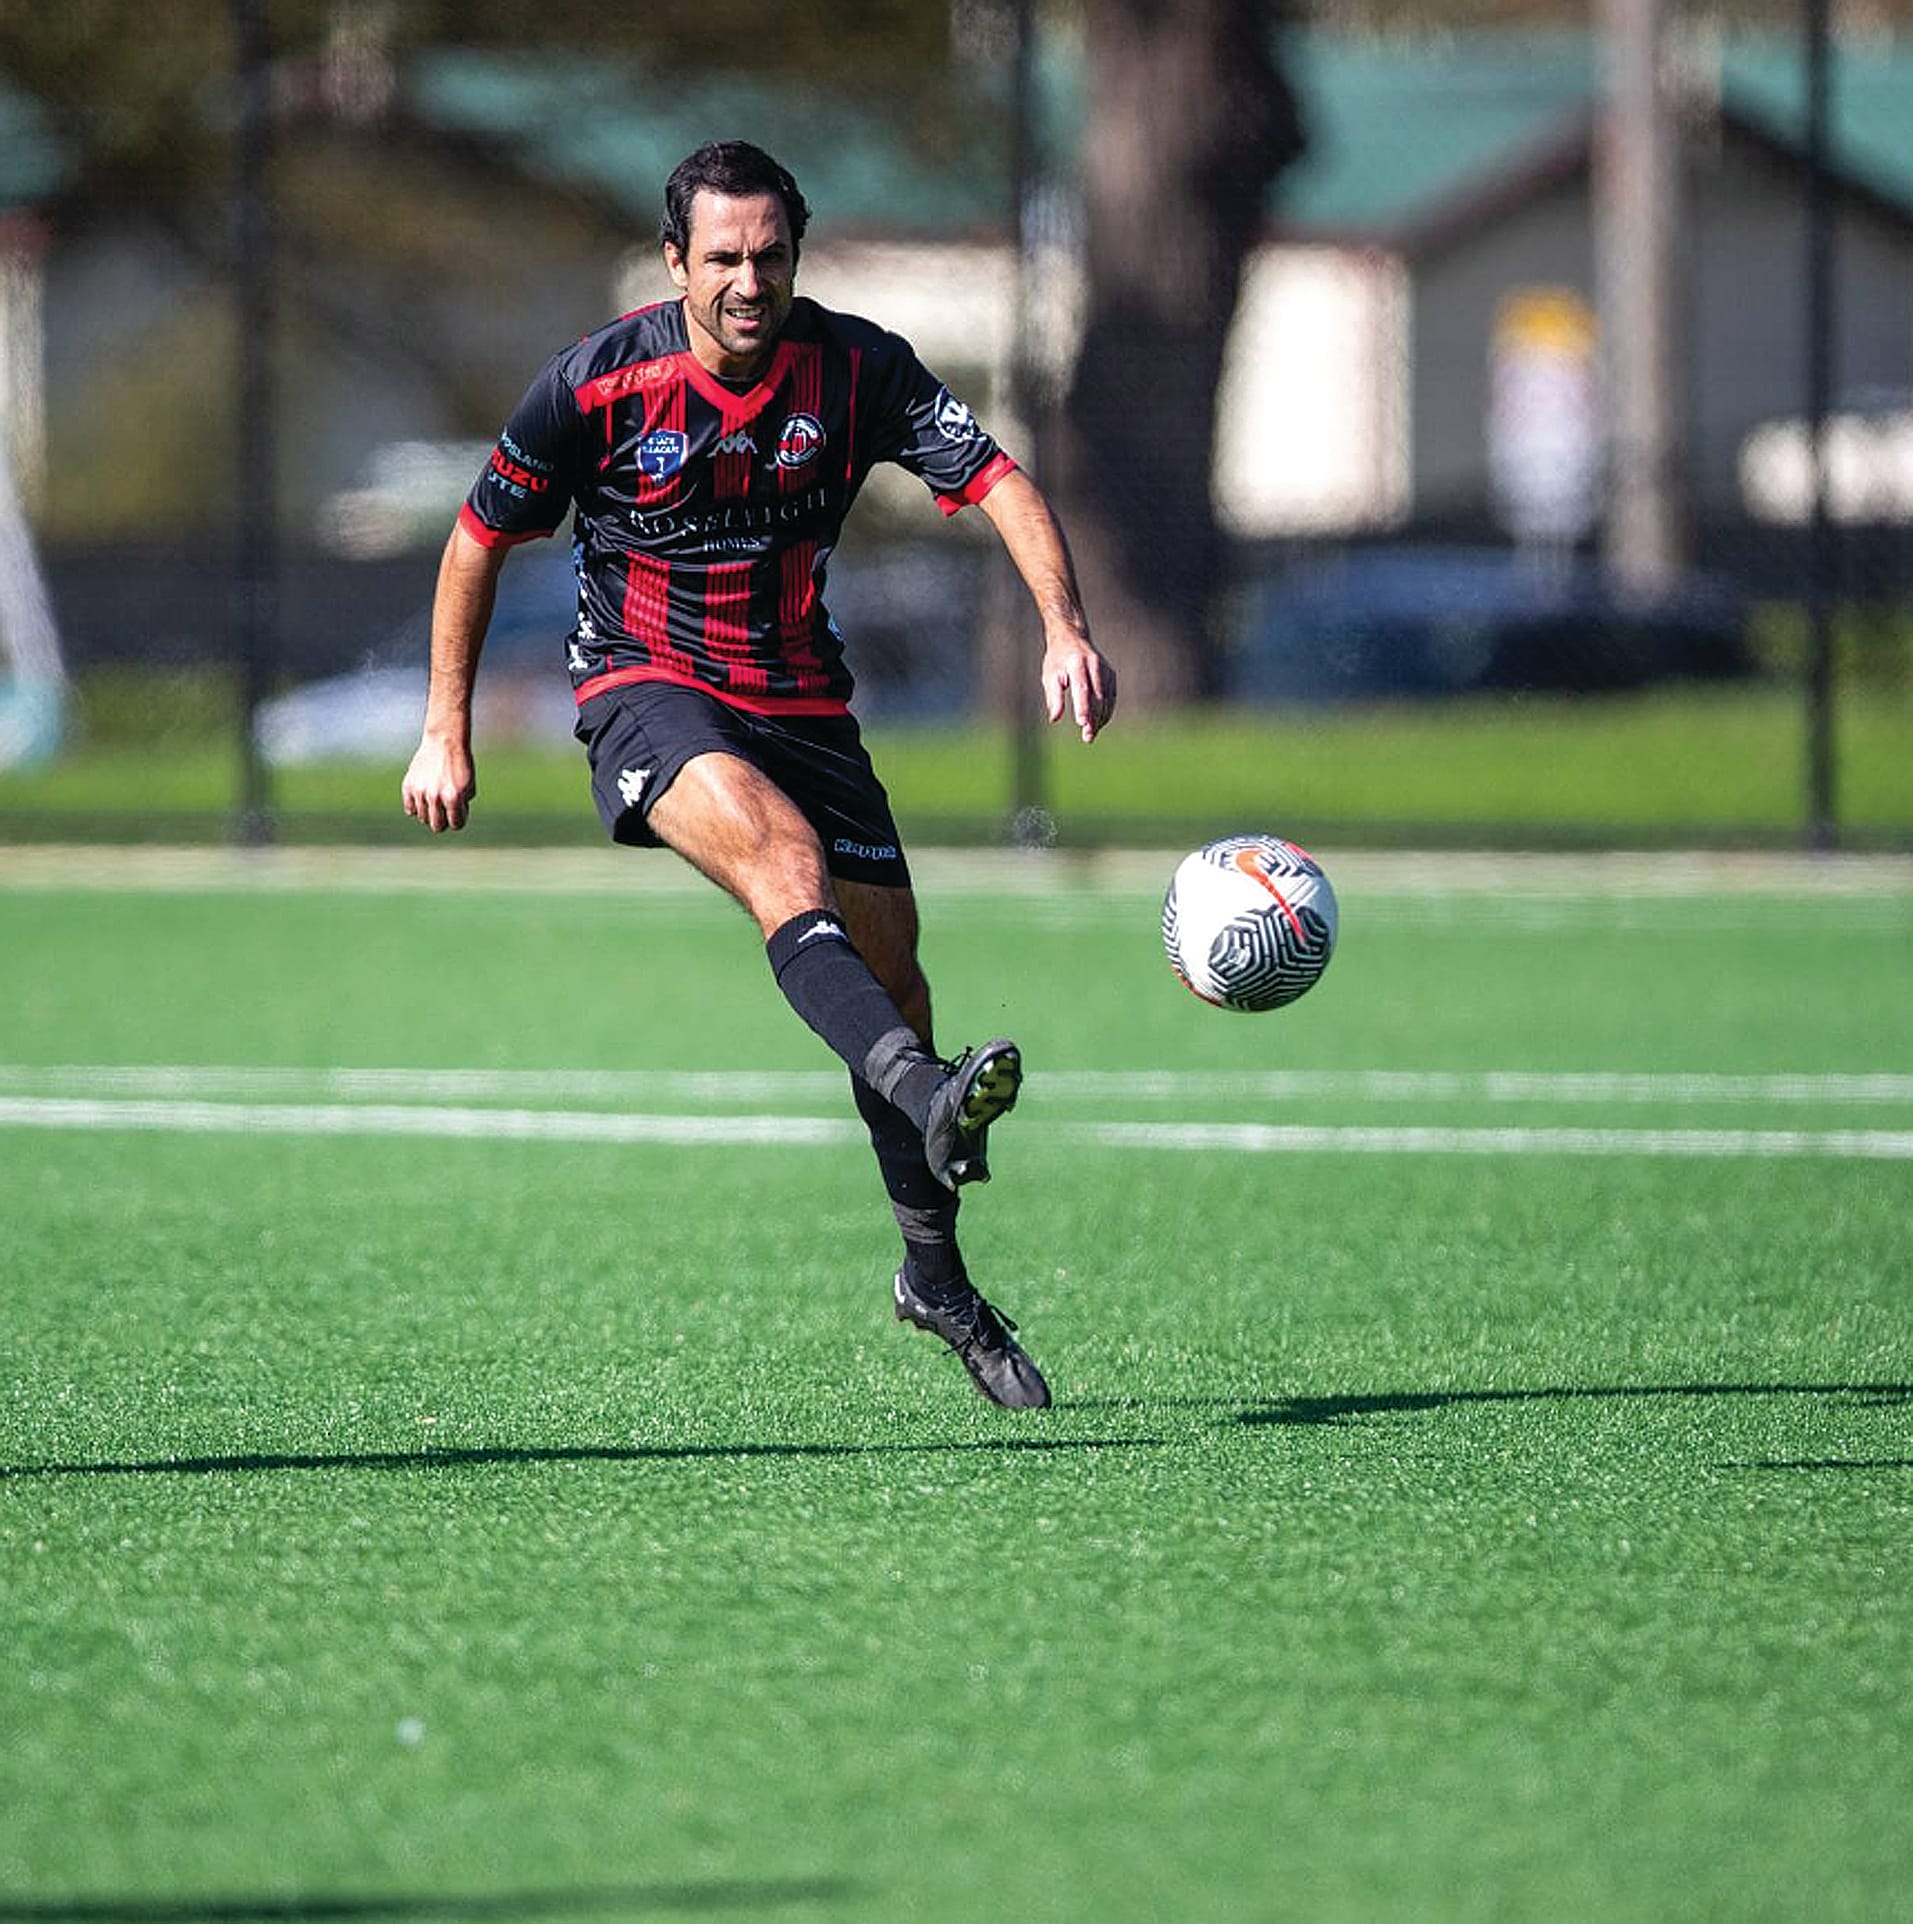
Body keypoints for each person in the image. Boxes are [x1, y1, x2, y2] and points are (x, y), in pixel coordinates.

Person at [401, 140, 1115, 1410]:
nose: (747, 280)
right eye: (721, 257)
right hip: (642, 684)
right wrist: (443, 726)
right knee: (786, 869)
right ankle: (921, 1088)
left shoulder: (855, 369)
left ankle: (935, 1278)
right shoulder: (594, 385)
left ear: (796, 253)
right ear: (674, 261)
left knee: (893, 971)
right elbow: (475, 540)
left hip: (802, 697)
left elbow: (996, 480)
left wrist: (1062, 625)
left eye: (768, 254)